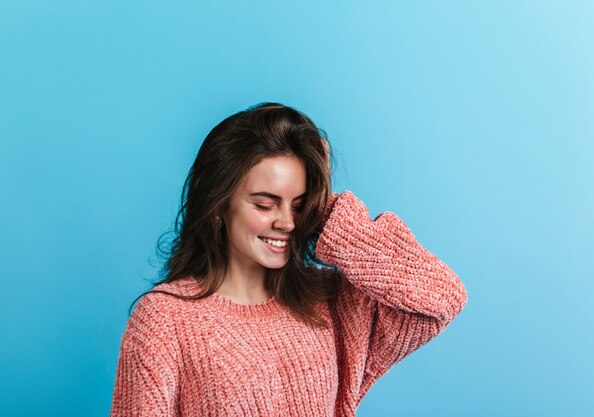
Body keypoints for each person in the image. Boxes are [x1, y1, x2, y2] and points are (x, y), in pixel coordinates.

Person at [109, 102, 468, 417]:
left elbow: (441, 298)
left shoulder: (328, 300)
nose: (287, 222)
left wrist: (326, 213)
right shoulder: (166, 320)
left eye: (298, 205)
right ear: (219, 206)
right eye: (265, 205)